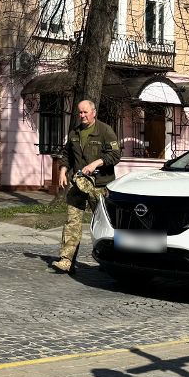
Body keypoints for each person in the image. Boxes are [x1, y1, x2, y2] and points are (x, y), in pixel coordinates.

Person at [51, 99, 120, 274]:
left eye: (85, 112)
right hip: (78, 183)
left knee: (106, 224)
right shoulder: (75, 132)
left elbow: (115, 155)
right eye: (80, 112)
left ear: (93, 112)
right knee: (72, 222)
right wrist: (63, 170)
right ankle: (67, 260)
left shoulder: (105, 131)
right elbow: (67, 154)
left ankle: (111, 261)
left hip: (99, 185)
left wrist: (97, 163)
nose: (82, 115)